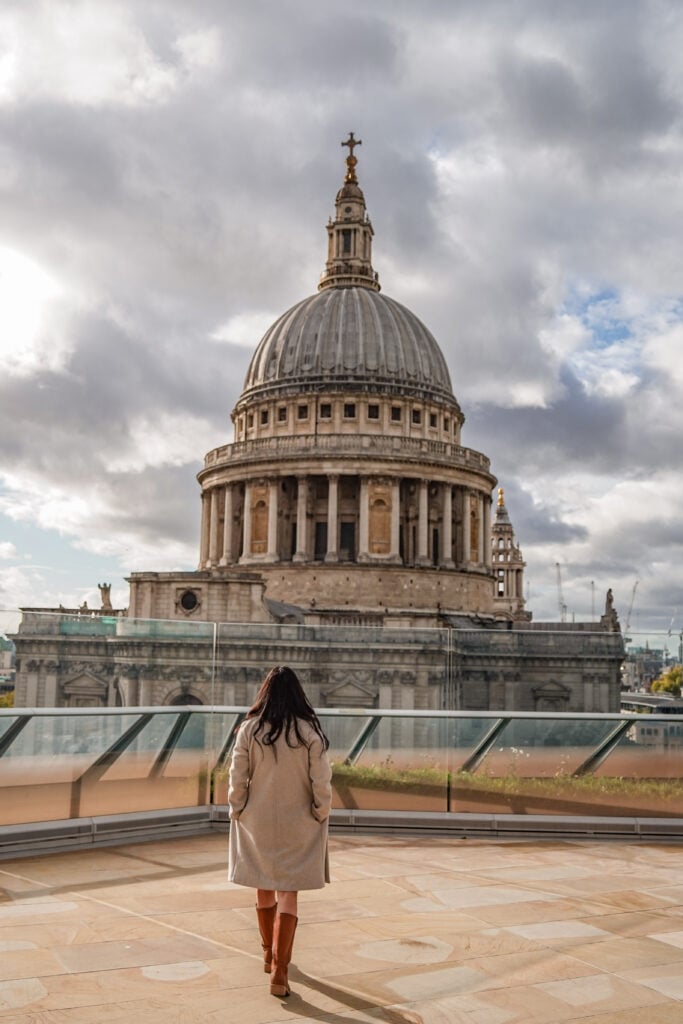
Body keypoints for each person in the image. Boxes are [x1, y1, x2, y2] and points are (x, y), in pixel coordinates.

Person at [228, 665, 332, 998]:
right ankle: (280, 970)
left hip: (257, 819)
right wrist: (320, 812)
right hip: (298, 820)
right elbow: (321, 782)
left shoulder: (249, 729)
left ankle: (266, 954)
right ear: (298, 695)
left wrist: (237, 809)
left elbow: (237, 776)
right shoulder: (309, 732)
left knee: (263, 885)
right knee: (288, 892)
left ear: (265, 693)